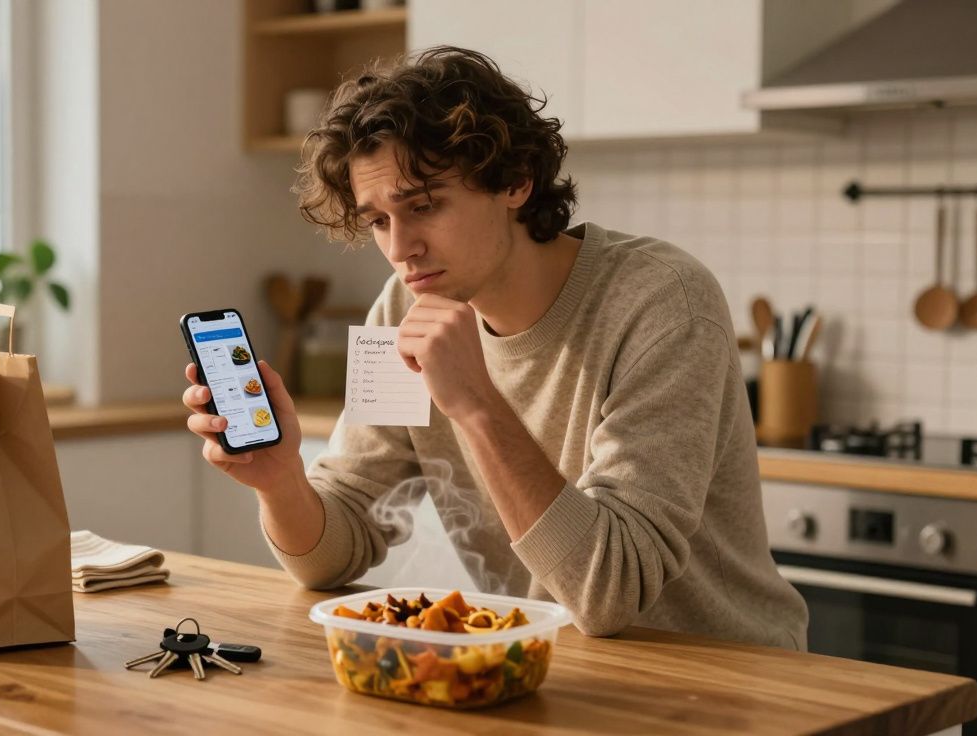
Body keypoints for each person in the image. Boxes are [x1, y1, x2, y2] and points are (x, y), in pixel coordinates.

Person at [182, 46, 807, 649]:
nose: (401, 249)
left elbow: (611, 590)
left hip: (733, 685)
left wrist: (476, 402)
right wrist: (281, 481)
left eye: (423, 205)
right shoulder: (401, 307)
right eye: (377, 221)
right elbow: (331, 556)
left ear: (514, 181)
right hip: (557, 672)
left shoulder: (662, 301)